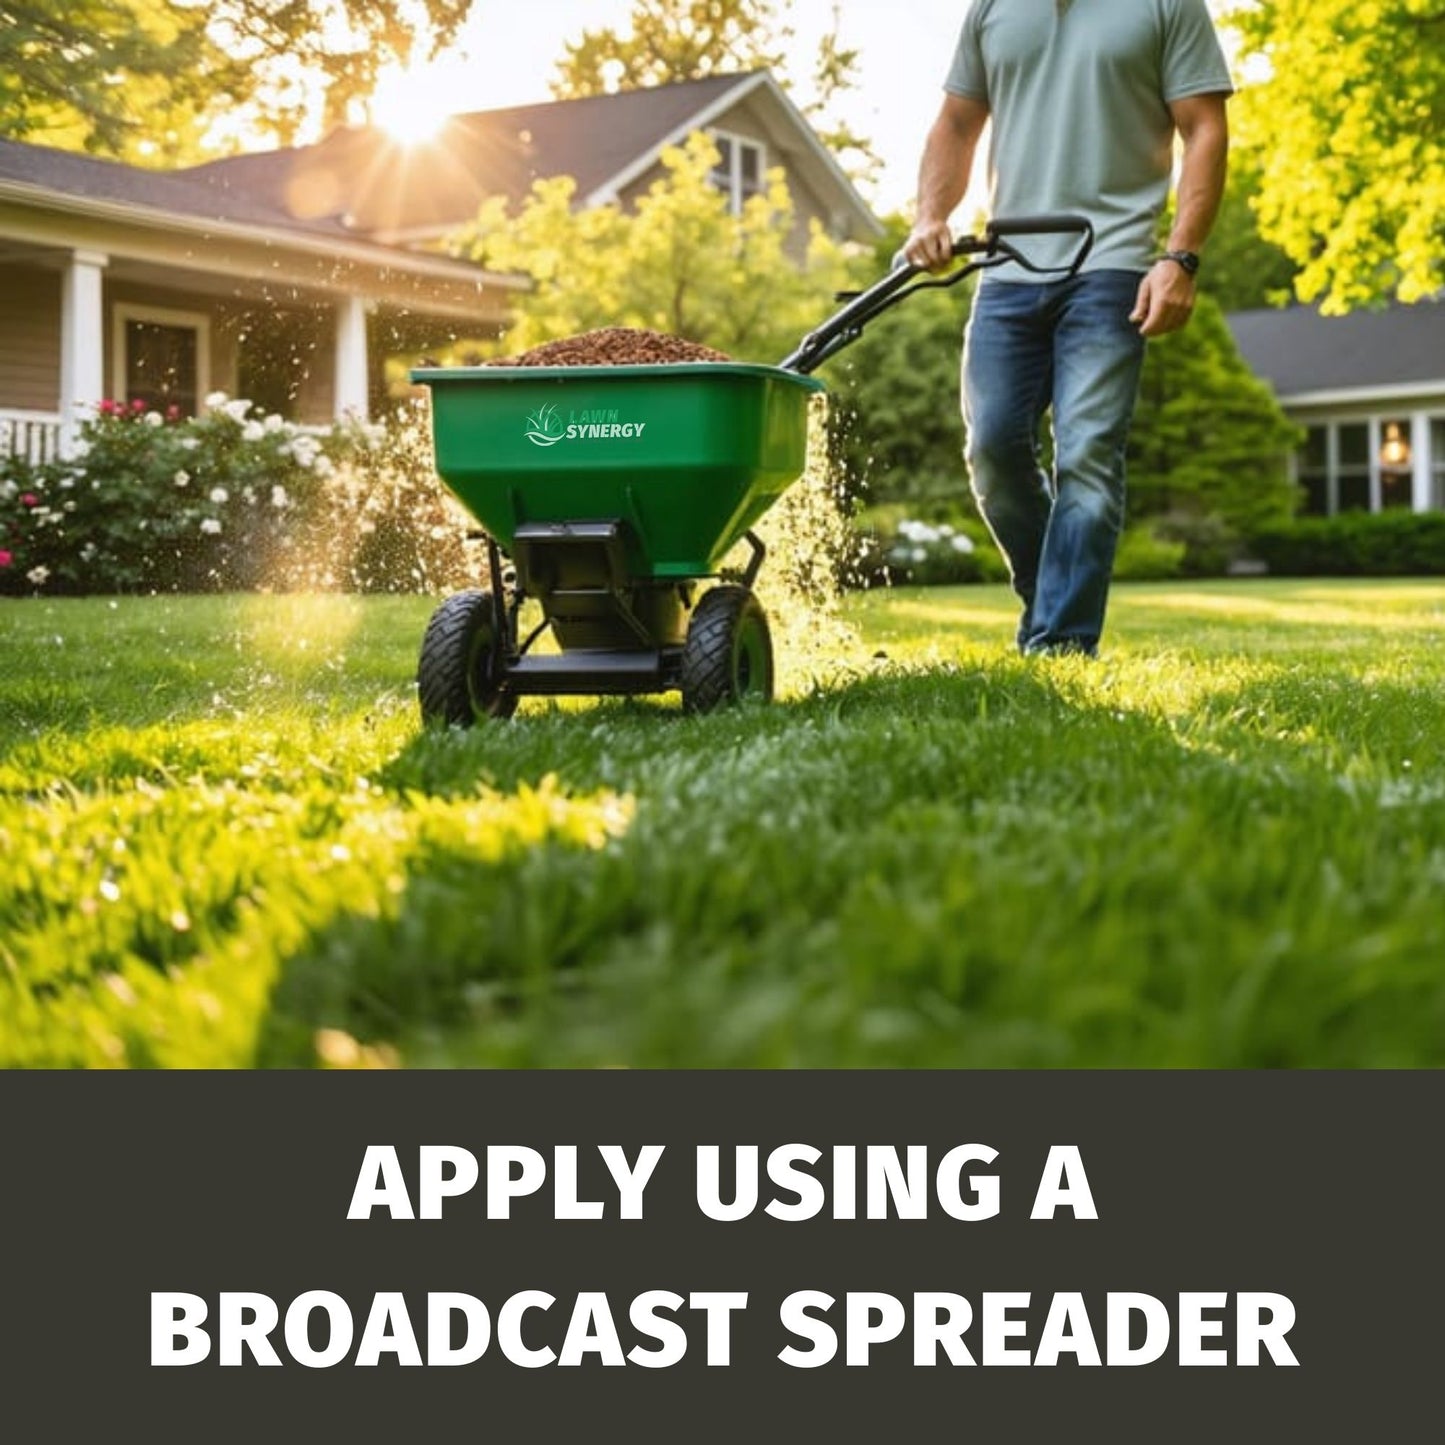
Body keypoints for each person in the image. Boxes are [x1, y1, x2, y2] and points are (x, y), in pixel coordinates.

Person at [904, 0, 1232, 656]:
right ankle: (1048, 601)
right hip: (1007, 265)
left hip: (1110, 260)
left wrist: (1179, 257)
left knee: (1086, 452)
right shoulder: (992, 9)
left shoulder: (1165, 6)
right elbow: (955, 122)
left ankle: (1060, 643)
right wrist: (927, 215)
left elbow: (1203, 128)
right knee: (992, 448)